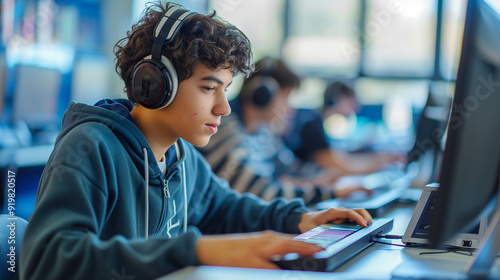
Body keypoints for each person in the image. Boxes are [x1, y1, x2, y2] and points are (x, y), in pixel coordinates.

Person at [20, 3, 372, 280]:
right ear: (154, 84)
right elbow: (48, 263)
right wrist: (196, 251)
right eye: (208, 88)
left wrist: (301, 220)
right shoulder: (90, 148)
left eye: (226, 90)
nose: (224, 107)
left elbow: (225, 209)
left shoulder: (180, 154)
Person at [197, 57, 367, 206]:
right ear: (263, 94)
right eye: (286, 98)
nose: (291, 108)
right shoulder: (223, 128)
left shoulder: (262, 131)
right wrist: (329, 192)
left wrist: (325, 175)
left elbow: (290, 168)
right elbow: (261, 194)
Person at [283, 81, 405, 178]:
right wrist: (382, 162)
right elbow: (343, 166)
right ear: (336, 99)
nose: (355, 107)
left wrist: (379, 157)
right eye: (351, 100)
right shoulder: (311, 127)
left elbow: (340, 156)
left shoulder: (318, 124)